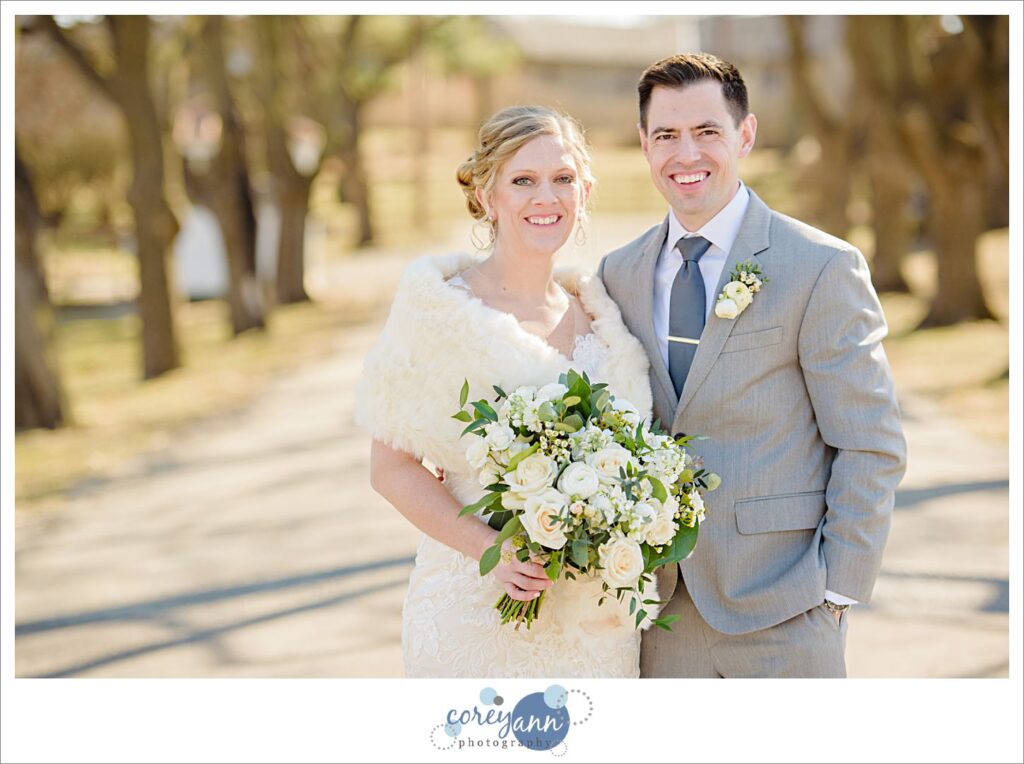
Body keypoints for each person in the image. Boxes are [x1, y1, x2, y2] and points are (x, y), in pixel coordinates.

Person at [598, 53, 907, 678]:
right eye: (666, 136)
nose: (687, 154)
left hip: (785, 612)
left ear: (745, 134)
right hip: (660, 616)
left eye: (707, 132)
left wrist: (837, 592)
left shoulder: (819, 266)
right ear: (644, 145)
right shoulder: (618, 273)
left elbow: (870, 443)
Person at [355, 106, 656, 677]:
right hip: (478, 610)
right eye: (524, 181)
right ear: (488, 197)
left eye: (563, 179)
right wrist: (491, 552)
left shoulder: (603, 317)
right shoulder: (439, 311)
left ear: (584, 192)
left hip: (597, 630)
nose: (547, 197)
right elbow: (390, 467)